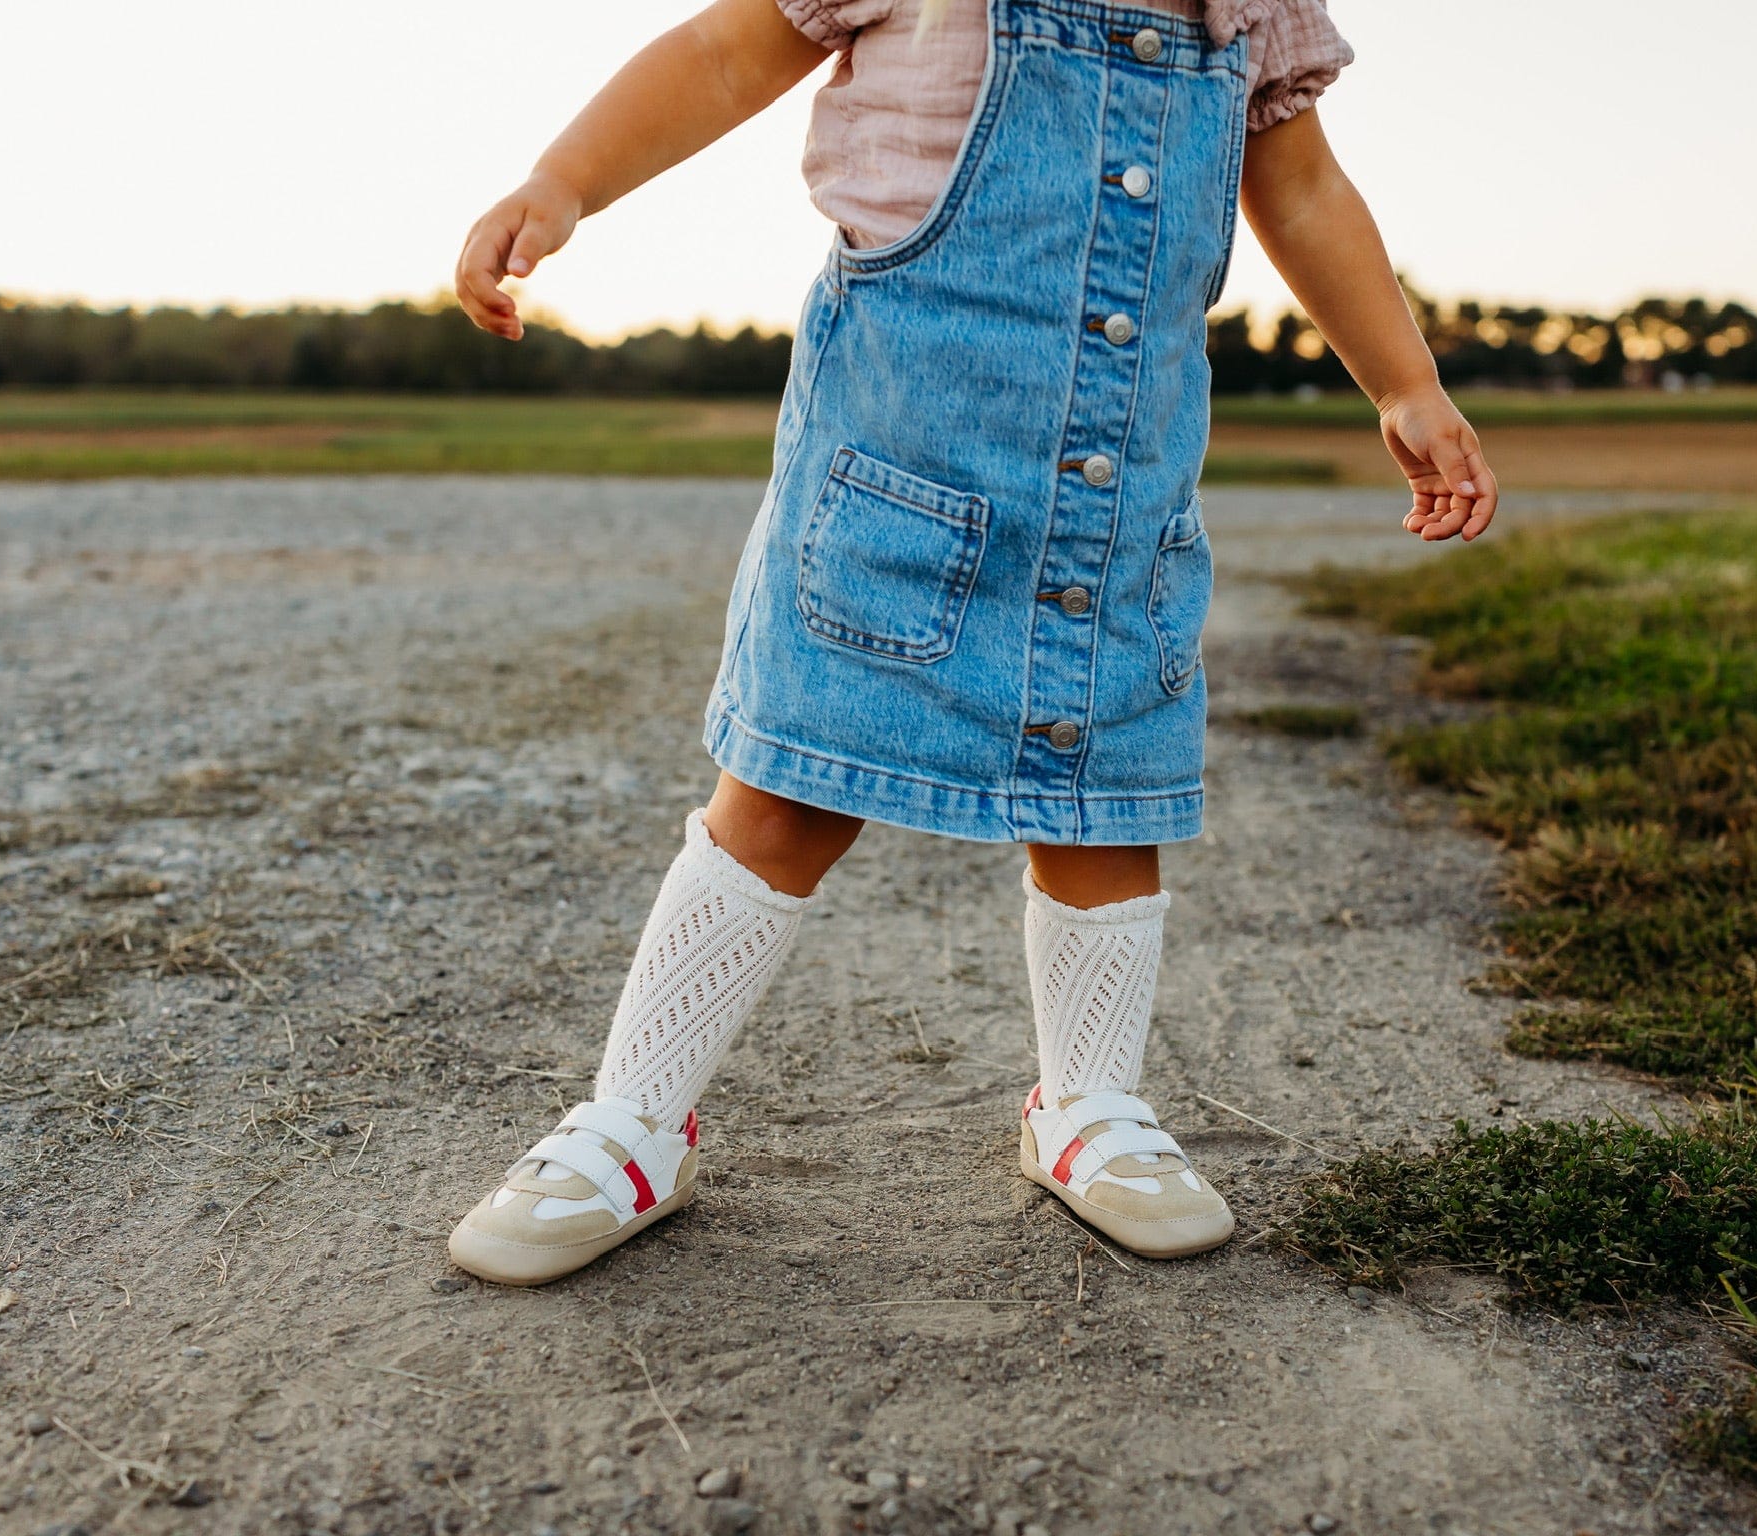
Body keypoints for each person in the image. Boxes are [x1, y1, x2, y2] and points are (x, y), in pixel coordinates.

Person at [445, 0, 1501, 1285]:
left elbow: (1302, 180)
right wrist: (562, 184)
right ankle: (633, 1124)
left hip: (1114, 489)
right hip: (901, 458)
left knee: (1104, 799)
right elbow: (726, 56)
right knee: (785, 783)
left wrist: (1404, 380)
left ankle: (1089, 1108)